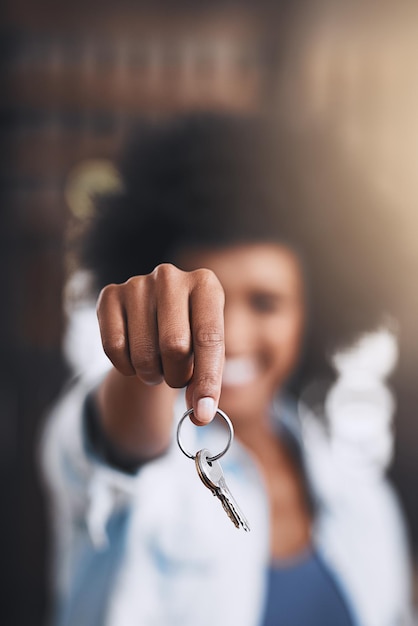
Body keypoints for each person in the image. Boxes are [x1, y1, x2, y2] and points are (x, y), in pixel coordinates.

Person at [40, 112, 414, 626]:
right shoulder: (143, 459)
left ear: (311, 313)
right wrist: (142, 360)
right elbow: (113, 444)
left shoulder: (361, 499)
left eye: (264, 302)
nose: (229, 336)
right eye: (203, 303)